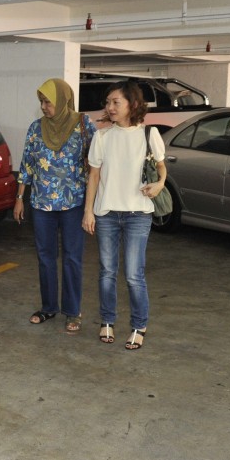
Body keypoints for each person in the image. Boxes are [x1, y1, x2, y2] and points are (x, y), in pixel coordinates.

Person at [82, 81, 166, 350]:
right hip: (106, 213)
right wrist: (89, 211)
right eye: (108, 102)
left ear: (133, 104)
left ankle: (139, 324)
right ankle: (107, 321)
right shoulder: (102, 136)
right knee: (107, 272)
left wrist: (160, 183)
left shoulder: (149, 134)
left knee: (133, 274)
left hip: (138, 214)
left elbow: (162, 169)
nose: (110, 107)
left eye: (116, 102)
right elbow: (93, 176)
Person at [14, 78, 96, 333]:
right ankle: (49, 307)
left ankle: (73, 311)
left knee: (72, 258)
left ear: (62, 100)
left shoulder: (83, 125)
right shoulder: (35, 129)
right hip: (41, 204)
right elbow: (27, 163)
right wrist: (19, 198)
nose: (43, 107)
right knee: (45, 257)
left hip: (74, 203)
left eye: (48, 101)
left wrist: (92, 205)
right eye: (41, 102)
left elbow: (96, 164)